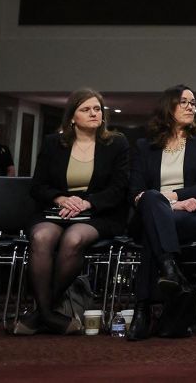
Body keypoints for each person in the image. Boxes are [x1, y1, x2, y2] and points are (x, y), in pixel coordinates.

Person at [15, 89, 130, 335]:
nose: (93, 113)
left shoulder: (116, 143)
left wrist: (88, 203)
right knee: (41, 237)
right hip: (57, 210)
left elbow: (120, 188)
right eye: (86, 109)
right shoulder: (53, 143)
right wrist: (61, 198)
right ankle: (48, 314)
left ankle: (40, 314)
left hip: (99, 214)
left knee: (73, 239)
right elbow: (37, 186)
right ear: (72, 117)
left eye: (97, 109)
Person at [127, 84, 196, 340]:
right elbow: (135, 190)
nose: (191, 106)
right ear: (169, 106)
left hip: (193, 214)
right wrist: (164, 204)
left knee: (152, 221)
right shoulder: (144, 146)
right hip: (156, 212)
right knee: (150, 209)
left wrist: (170, 199)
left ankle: (143, 308)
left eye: (193, 102)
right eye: (184, 102)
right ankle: (170, 273)